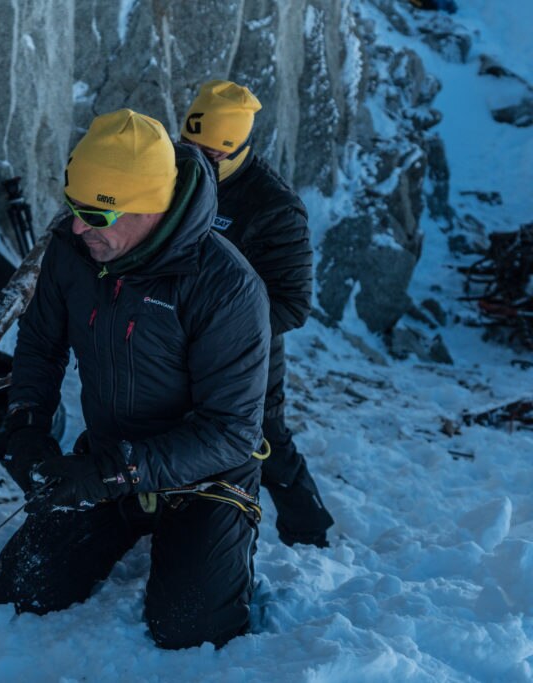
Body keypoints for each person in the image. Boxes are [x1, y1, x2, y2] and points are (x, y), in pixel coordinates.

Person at [0, 109, 271, 649]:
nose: (76, 227)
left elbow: (231, 431)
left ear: (151, 208)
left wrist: (112, 473)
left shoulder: (226, 287)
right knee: (19, 591)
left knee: (191, 630)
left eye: (95, 214)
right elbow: (40, 347)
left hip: (204, 476)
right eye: (73, 208)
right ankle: (130, 519)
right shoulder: (74, 252)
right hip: (110, 458)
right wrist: (25, 428)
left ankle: (218, 539)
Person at [179, 80, 335, 547]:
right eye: (187, 147)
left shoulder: (274, 207)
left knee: (264, 438)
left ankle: (309, 531)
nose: (192, 162)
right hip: (176, 336)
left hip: (247, 353)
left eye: (208, 156)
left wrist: (221, 328)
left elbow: (293, 303)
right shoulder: (174, 174)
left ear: (235, 149)